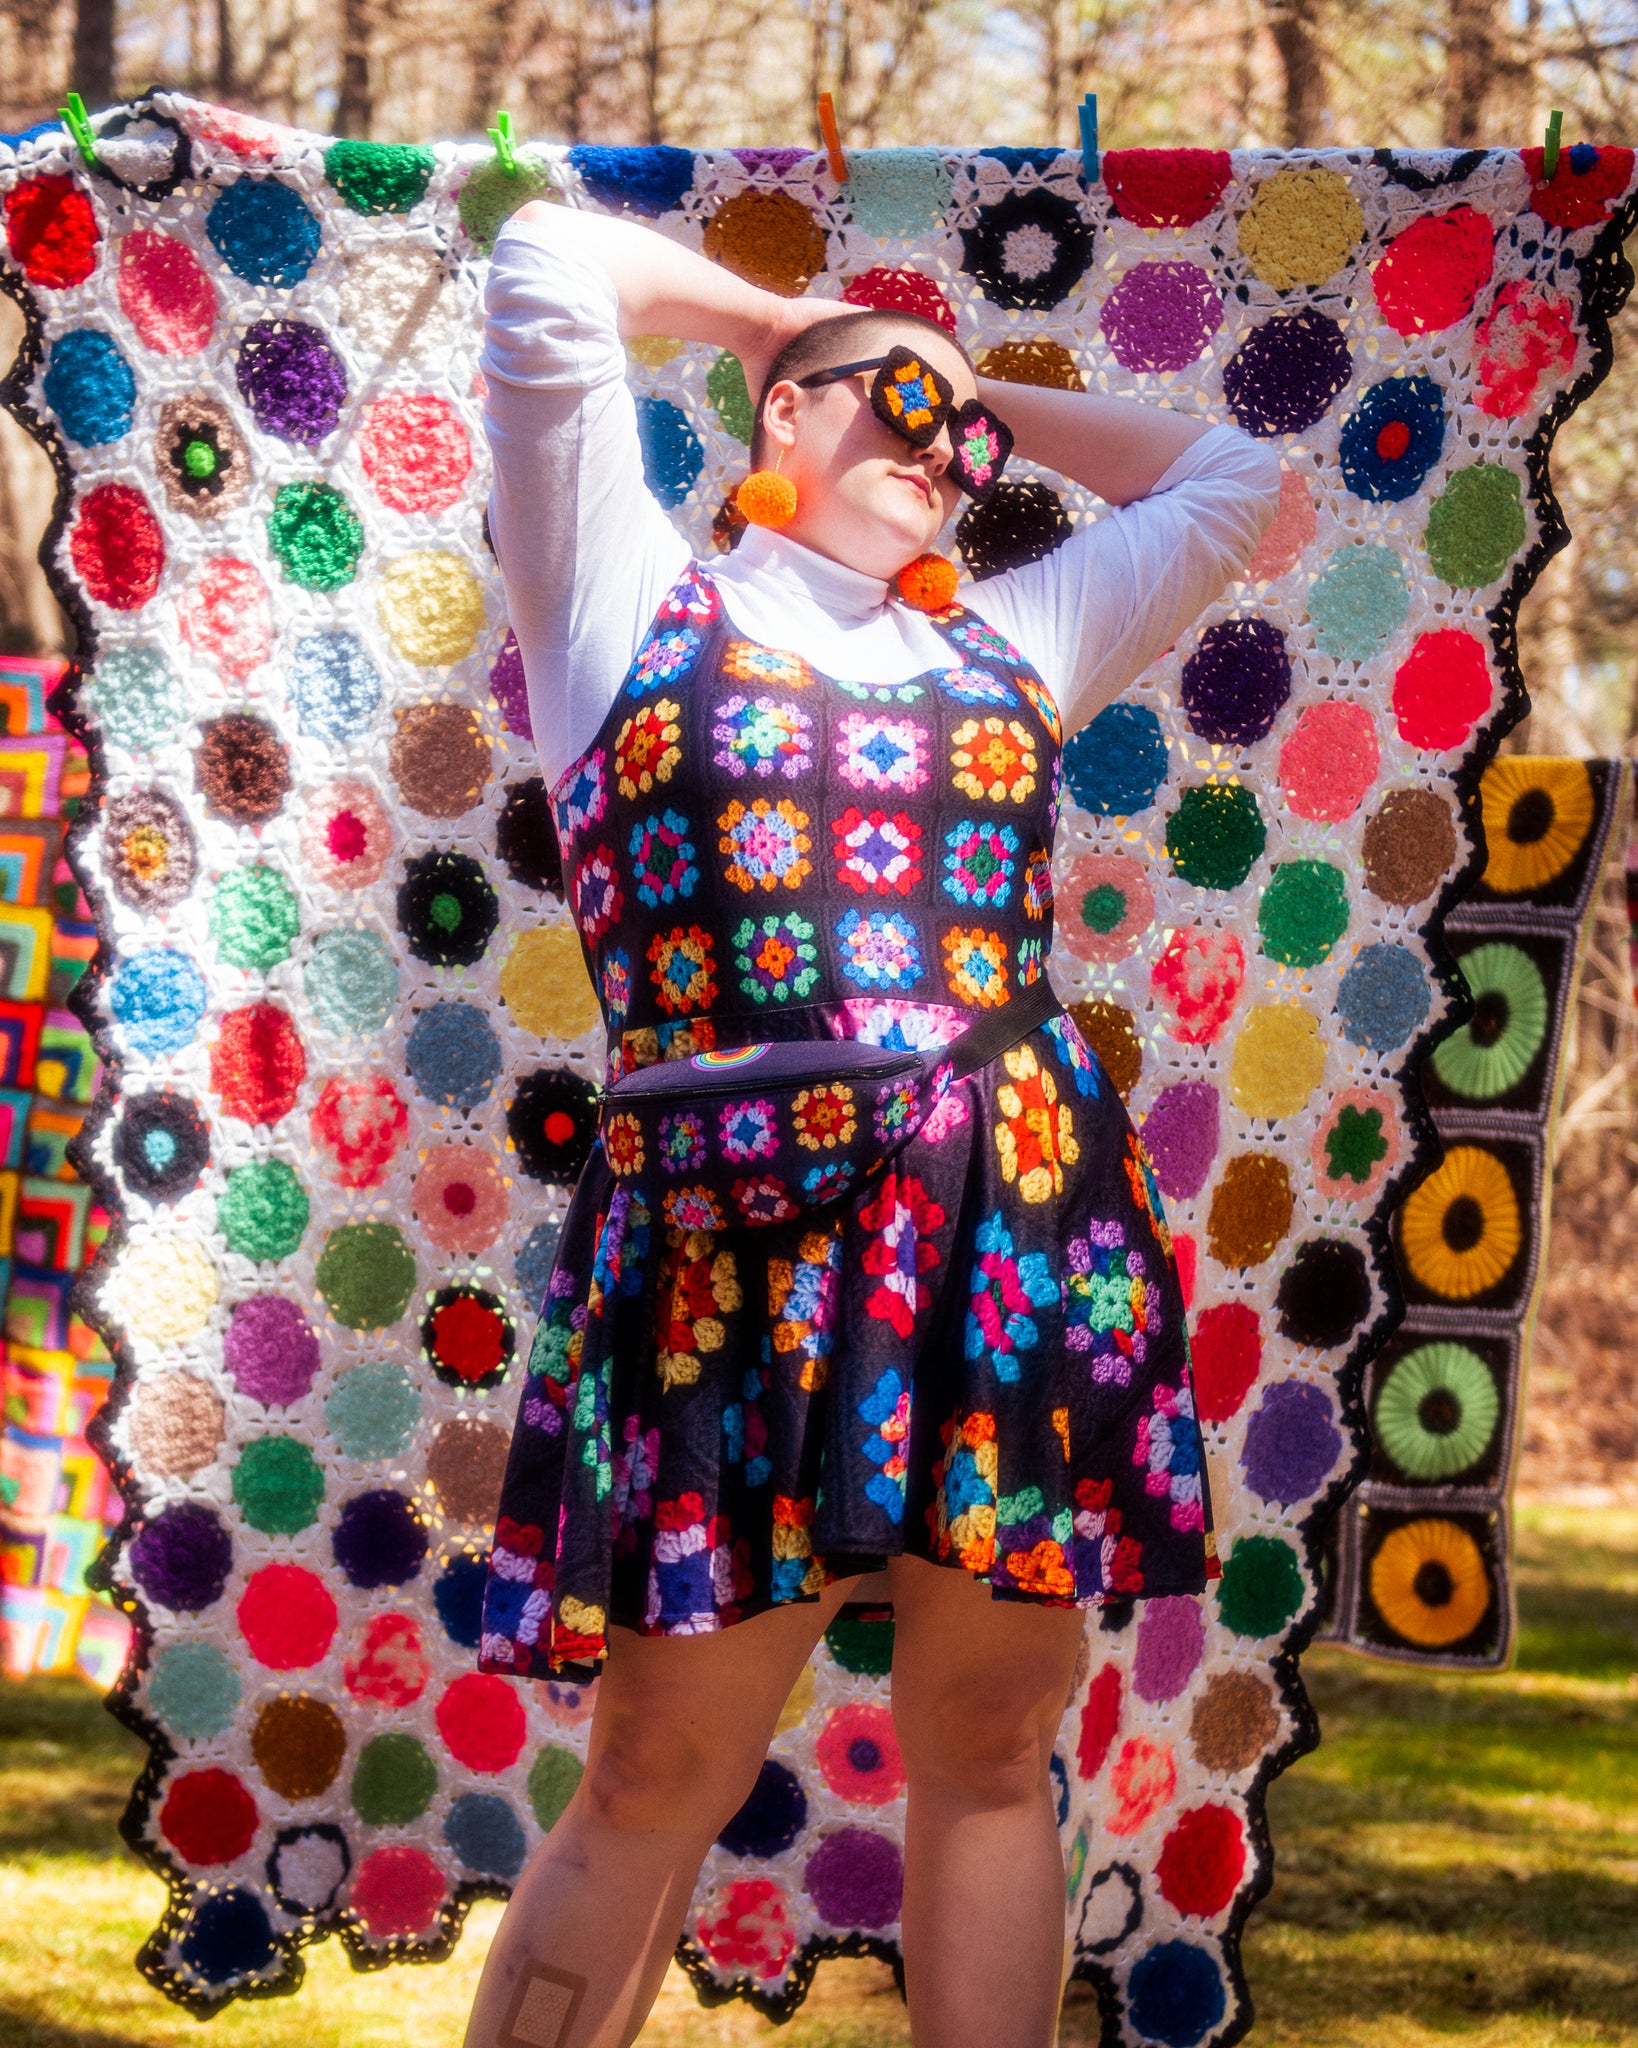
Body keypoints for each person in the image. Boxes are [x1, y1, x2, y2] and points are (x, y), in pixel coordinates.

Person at [463, 193, 1283, 2048]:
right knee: (661, 1760)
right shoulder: (620, 607)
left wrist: (963, 378)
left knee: (993, 1740)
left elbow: (1238, 480)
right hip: (729, 1252)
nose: (940, 453)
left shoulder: (1015, 638)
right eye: (884, 411)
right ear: (776, 416)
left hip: (1011, 1243)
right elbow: (545, 262)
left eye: (960, 442)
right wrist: (790, 315)